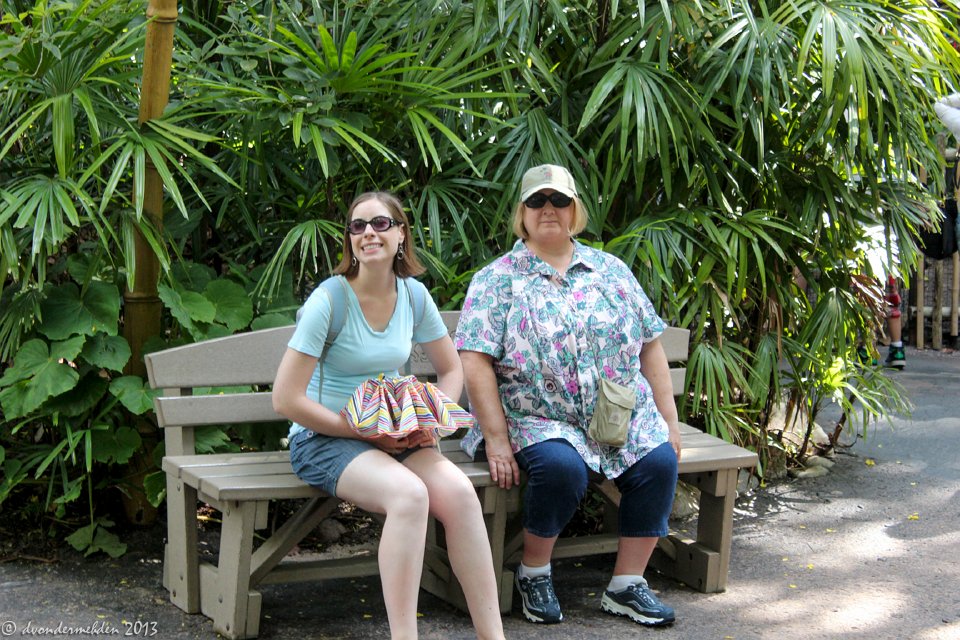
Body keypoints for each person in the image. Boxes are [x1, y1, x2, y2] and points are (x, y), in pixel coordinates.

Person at [272, 192, 506, 640]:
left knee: (460, 494)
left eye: (380, 224)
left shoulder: (414, 295)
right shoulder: (329, 301)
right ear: (350, 240)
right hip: (325, 437)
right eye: (357, 226)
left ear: (401, 235)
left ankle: (492, 636)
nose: (368, 233)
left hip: (393, 432)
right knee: (409, 496)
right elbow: (285, 399)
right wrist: (361, 431)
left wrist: (429, 424)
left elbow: (451, 368)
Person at [455, 164, 681, 627]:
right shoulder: (497, 279)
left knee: (659, 461)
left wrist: (668, 421)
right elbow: (474, 360)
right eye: (536, 201)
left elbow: (650, 344)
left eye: (559, 200)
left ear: (575, 210)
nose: (548, 209)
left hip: (616, 413)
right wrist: (495, 438)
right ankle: (534, 571)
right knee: (562, 468)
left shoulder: (611, 270)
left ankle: (627, 585)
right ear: (522, 213)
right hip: (533, 416)